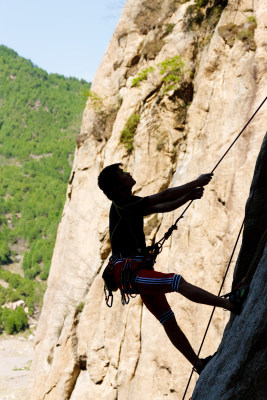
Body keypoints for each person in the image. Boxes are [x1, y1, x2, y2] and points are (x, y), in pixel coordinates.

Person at [98, 163, 248, 374]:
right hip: (133, 275)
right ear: (117, 186)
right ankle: (229, 304)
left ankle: (198, 364)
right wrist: (195, 183)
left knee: (167, 319)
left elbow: (160, 206)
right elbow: (162, 197)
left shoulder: (126, 205)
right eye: (122, 174)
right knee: (176, 282)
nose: (128, 173)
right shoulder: (123, 204)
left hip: (133, 274)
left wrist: (187, 197)